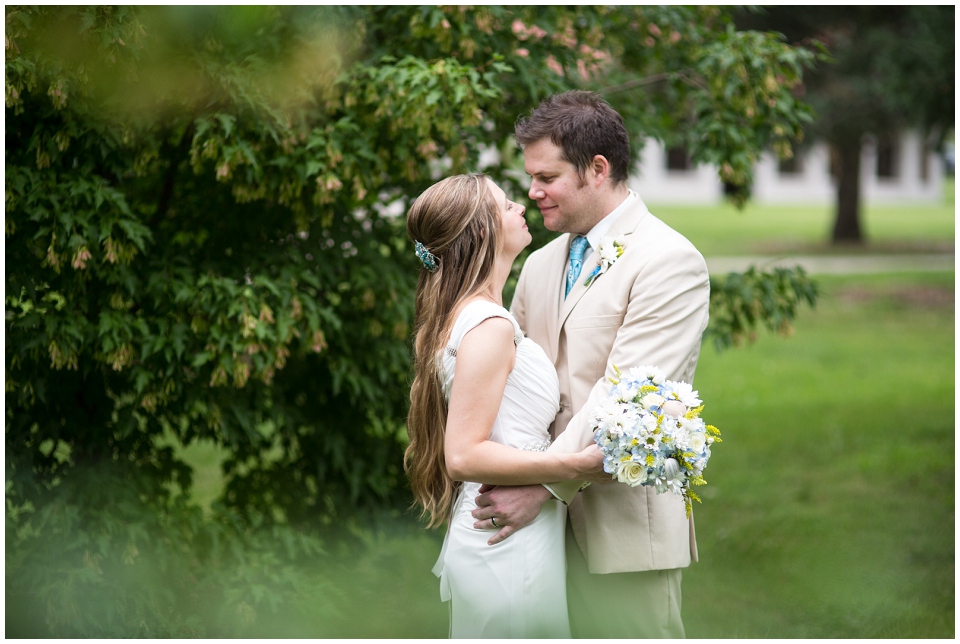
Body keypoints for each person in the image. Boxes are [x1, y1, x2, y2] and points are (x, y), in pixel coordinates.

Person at [470, 90, 711, 638]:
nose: (532, 193)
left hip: (623, 532)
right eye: (530, 177)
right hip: (530, 540)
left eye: (547, 178)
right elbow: (513, 382)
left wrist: (540, 486)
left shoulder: (669, 260)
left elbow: (622, 392)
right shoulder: (539, 263)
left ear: (596, 169)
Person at [404, 173, 607, 638]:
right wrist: (576, 465)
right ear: (481, 231)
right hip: (503, 536)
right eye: (505, 203)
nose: (522, 205)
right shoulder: (488, 325)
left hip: (510, 527)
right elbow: (464, 454)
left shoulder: (476, 314)